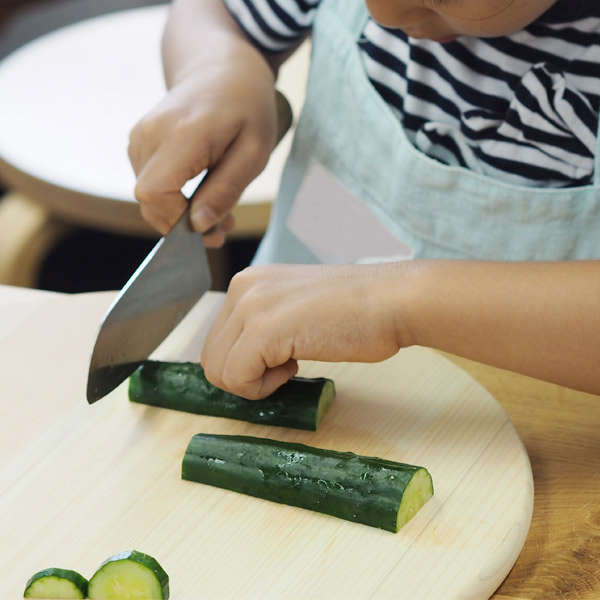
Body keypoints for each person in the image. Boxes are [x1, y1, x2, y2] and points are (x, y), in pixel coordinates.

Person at [128, 0, 600, 400]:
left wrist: (394, 304)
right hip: (328, 398)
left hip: (534, 433)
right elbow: (211, 10)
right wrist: (217, 65)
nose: (383, 12)